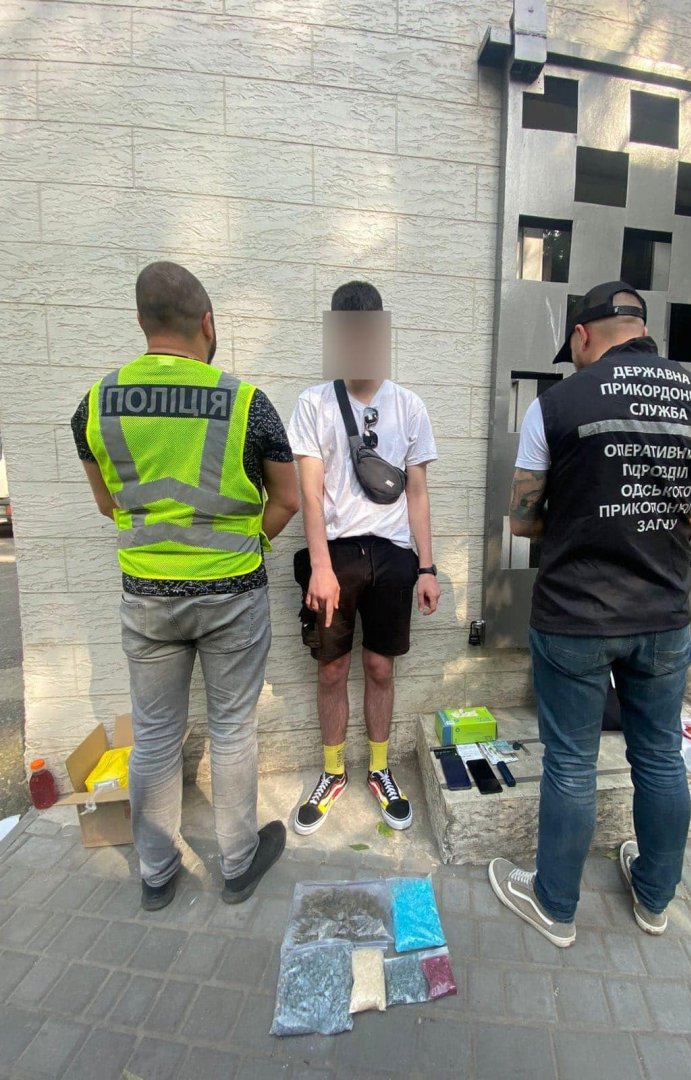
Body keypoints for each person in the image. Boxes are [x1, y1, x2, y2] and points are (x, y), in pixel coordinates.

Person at [488, 282, 691, 947]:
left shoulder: (557, 404)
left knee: (571, 763)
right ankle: (654, 899)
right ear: (642, 330)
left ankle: (555, 906)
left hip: (576, 615)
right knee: (660, 757)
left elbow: (523, 520)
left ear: (583, 335)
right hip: (664, 614)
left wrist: (590, 522)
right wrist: (646, 527)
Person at [71, 261, 299, 911]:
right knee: (232, 729)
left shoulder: (96, 404)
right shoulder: (247, 403)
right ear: (207, 323)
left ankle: (156, 872)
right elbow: (287, 499)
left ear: (142, 323)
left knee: (153, 735)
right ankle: (237, 865)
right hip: (232, 595)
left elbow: (108, 505)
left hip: (147, 596)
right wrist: (249, 544)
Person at [287, 280, 441, 836]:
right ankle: (333, 772)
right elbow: (310, 493)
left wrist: (427, 567)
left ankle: (379, 769)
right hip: (335, 557)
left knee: (380, 666)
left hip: (394, 556)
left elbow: (418, 492)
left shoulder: (409, 405)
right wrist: (321, 567)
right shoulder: (314, 403)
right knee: (331, 669)